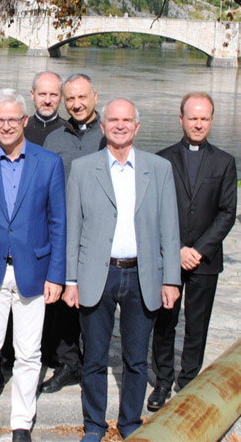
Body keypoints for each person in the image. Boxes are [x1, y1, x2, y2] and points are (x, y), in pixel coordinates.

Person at [63, 98, 181, 441]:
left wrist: (170, 278)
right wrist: (70, 280)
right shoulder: (84, 169)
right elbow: (73, 229)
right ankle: (95, 426)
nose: (119, 125)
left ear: (137, 126)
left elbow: (169, 230)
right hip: (97, 275)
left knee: (136, 360)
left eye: (126, 120)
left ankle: (130, 423)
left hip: (142, 275)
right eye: (112, 119)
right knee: (95, 358)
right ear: (102, 126)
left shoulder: (158, 169)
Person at [0, 89, 66, 442]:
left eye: (12, 119)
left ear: (24, 121)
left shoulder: (48, 163)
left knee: (28, 353)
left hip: (33, 271)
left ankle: (22, 423)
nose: (5, 126)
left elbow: (58, 224)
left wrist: (56, 274)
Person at [148, 92, 237, 411]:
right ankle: (161, 381)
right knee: (165, 321)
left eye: (204, 118)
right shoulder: (161, 159)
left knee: (197, 324)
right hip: (169, 257)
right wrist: (176, 249)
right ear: (181, 119)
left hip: (205, 260)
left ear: (211, 120)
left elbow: (227, 211)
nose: (198, 124)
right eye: (193, 117)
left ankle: (187, 383)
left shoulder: (225, 162)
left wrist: (198, 250)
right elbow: (154, 210)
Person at [39, 73, 106, 394]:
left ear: (95, 96)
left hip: (101, 232)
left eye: (82, 97)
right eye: (71, 99)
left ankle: (94, 360)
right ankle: (69, 362)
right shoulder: (55, 138)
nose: (77, 104)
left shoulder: (109, 135)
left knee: (96, 300)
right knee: (65, 298)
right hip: (62, 232)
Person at [24, 71, 65, 146]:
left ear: (61, 97)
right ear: (32, 95)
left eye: (53, 95)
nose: (47, 101)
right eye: (42, 94)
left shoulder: (69, 131)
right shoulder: (20, 131)